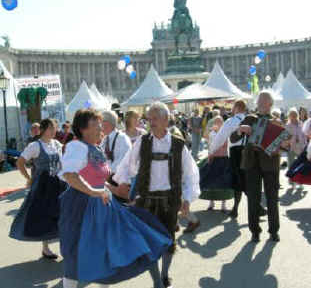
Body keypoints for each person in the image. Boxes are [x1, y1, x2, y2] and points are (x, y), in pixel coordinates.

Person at [58, 108, 172, 288]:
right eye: (95, 124)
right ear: (83, 129)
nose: (100, 128)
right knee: (77, 254)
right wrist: (94, 192)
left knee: (111, 250)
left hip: (103, 204)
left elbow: (97, 180)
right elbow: (70, 175)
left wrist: (114, 190)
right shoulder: (76, 147)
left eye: (100, 123)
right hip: (81, 207)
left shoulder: (95, 147)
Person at [113, 102, 200, 288]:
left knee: (169, 241)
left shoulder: (179, 145)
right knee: (149, 243)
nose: (150, 122)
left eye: (154, 118)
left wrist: (187, 198)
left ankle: (164, 274)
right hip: (146, 201)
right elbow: (127, 165)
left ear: (166, 119)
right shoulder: (142, 143)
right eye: (149, 118)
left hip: (170, 201)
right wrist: (123, 183)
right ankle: (156, 282)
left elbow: (190, 173)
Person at [9, 119, 67, 259]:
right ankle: (45, 248)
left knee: (62, 214)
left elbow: (64, 161)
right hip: (43, 186)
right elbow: (20, 162)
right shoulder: (35, 146)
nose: (54, 131)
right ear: (43, 130)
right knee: (44, 216)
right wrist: (28, 178)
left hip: (58, 184)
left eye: (55, 128)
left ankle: (65, 246)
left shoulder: (57, 144)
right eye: (51, 128)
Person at [231, 92, 282, 243]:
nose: (259, 103)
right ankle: (255, 231)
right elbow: (233, 138)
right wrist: (240, 130)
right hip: (251, 163)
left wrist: (284, 142)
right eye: (259, 100)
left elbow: (284, 145)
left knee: (272, 198)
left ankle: (274, 231)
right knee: (253, 198)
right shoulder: (250, 118)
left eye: (263, 101)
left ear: (270, 104)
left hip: (271, 164)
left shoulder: (276, 122)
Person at [207, 100, 247, 218]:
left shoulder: (231, 121)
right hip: (249, 152)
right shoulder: (250, 119)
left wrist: (211, 151)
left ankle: (248, 207)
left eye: (233, 107)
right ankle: (235, 209)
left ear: (237, 108)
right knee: (245, 181)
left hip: (236, 153)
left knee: (238, 182)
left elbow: (220, 137)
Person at [200, 116, 233, 212]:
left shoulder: (225, 134)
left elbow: (224, 146)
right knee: (210, 181)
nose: (217, 124)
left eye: (219, 122)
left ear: (223, 124)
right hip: (213, 159)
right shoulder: (212, 133)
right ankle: (211, 203)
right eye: (215, 122)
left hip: (223, 159)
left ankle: (223, 205)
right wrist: (210, 154)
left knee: (224, 183)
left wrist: (213, 154)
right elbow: (207, 141)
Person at [285, 108, 307, 188]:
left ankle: (300, 182)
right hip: (291, 147)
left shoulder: (301, 123)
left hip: (301, 147)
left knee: (301, 165)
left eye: (295, 115)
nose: (293, 116)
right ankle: (292, 182)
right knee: (291, 165)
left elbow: (304, 134)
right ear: (289, 116)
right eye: (291, 115)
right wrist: (293, 139)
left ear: (297, 115)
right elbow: (286, 137)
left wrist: (305, 144)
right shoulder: (287, 125)